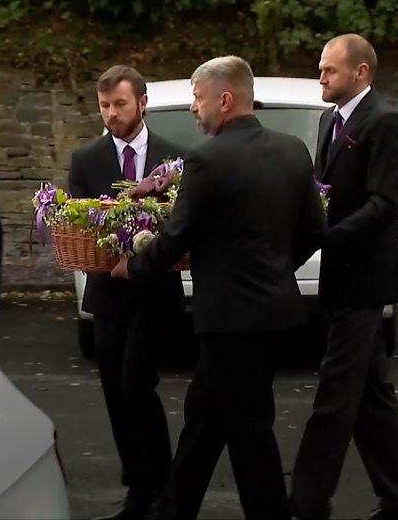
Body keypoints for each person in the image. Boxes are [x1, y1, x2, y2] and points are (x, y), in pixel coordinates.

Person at [112, 55, 325, 519]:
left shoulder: (206, 159)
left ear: (224, 100)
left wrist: (134, 267)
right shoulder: (292, 150)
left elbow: (177, 237)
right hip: (270, 312)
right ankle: (173, 508)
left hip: (229, 317)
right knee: (205, 417)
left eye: (197, 97)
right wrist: (274, 270)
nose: (193, 108)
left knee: (249, 429)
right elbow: (313, 231)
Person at [290, 34, 398, 520]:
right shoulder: (330, 120)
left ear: (361, 73)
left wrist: (329, 237)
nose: (321, 77)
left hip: (366, 278)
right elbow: (323, 194)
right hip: (338, 277)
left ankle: (306, 503)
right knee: (372, 399)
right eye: (321, 69)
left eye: (329, 70)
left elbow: (385, 205)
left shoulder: (386, 123)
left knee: (336, 393)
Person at [69, 65, 186, 520]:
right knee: (115, 390)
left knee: (138, 382)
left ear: (142, 102)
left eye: (119, 104)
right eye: (104, 106)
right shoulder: (86, 159)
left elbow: (179, 224)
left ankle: (161, 485)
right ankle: (141, 487)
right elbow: (78, 220)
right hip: (108, 295)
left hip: (155, 292)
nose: (111, 114)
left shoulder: (175, 159)